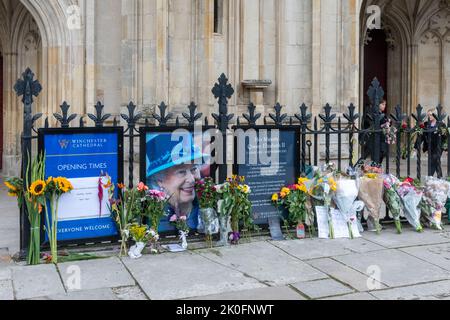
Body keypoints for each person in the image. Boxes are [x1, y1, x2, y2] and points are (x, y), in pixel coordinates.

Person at [145, 133, 209, 233]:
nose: (191, 179)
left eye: (193, 169)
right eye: (181, 172)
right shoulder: (155, 220)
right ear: (159, 180)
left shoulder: (206, 209)